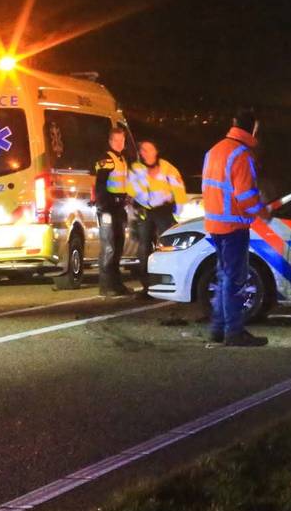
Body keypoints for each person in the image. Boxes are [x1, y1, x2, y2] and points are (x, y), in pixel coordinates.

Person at [201, 108, 268, 347]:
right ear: (253, 129)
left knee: (223, 277)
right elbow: (246, 196)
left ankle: (218, 328)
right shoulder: (241, 154)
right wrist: (262, 210)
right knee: (234, 280)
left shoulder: (214, 151)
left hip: (215, 224)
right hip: (233, 226)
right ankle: (234, 331)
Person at [128, 140, 188, 296]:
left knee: (169, 245)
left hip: (164, 211)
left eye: (149, 149)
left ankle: (171, 281)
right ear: (140, 153)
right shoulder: (135, 169)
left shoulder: (167, 168)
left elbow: (179, 189)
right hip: (145, 211)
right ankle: (147, 286)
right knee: (144, 249)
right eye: (143, 150)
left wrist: (178, 210)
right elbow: (133, 191)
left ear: (156, 151)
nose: (146, 153)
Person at [94, 126, 132, 297]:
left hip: (119, 208)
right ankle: (106, 286)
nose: (119, 143)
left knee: (118, 247)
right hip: (108, 208)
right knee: (108, 247)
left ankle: (117, 284)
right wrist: (104, 207)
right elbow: (100, 185)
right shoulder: (106, 160)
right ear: (110, 142)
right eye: (116, 140)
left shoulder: (122, 159)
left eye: (122, 140)